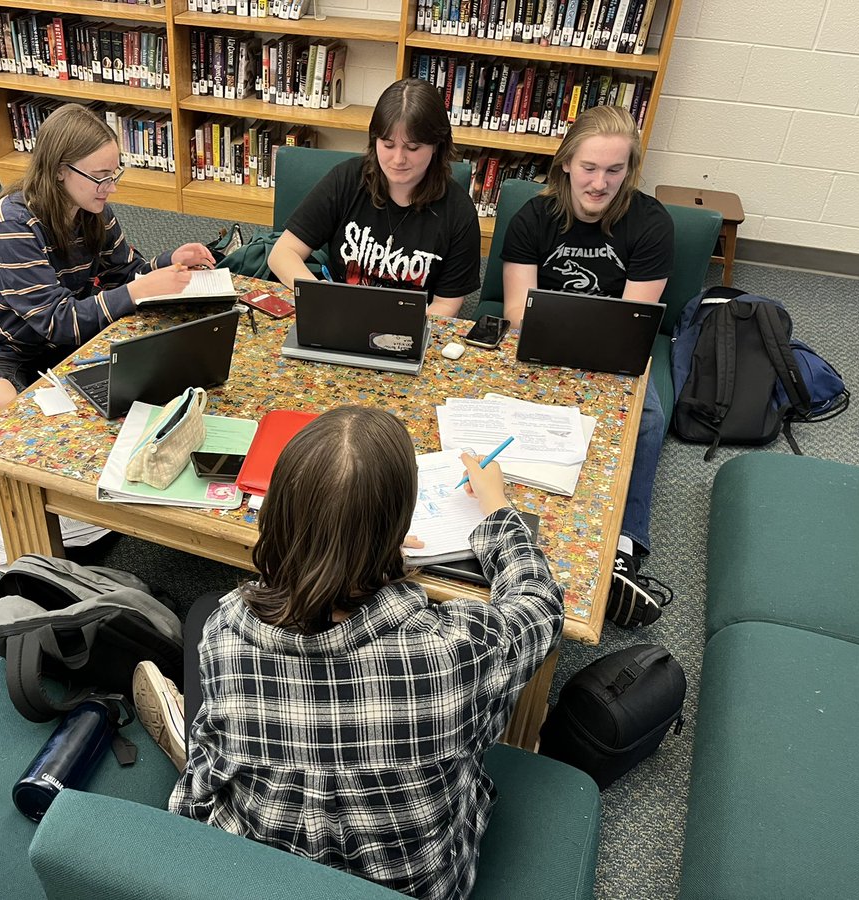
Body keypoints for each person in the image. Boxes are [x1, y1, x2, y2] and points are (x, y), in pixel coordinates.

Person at [133, 405, 564, 900]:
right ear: (398, 526)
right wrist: (496, 508)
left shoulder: (226, 632)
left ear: (278, 511)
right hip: (412, 886)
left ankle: (198, 741)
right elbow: (539, 606)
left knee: (213, 726)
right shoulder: (455, 653)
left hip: (260, 878)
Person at [499, 103, 675, 626]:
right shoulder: (534, 217)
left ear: (630, 171)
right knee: (493, 407)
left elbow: (635, 319)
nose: (600, 183)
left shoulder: (650, 223)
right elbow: (515, 309)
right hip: (539, 342)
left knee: (647, 419)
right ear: (567, 164)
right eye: (590, 168)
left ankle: (622, 548)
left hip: (613, 354)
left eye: (614, 170)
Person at [0, 103, 217, 418]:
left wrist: (169, 262)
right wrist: (137, 291)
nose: (111, 188)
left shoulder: (91, 209)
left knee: (143, 379)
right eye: (100, 177)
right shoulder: (10, 225)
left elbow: (124, 273)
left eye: (114, 175)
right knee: (4, 408)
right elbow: (57, 321)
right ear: (60, 170)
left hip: (56, 341)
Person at [267, 78, 481, 317]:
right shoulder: (347, 180)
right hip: (339, 313)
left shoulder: (459, 212)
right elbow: (282, 254)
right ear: (374, 140)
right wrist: (323, 295)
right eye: (388, 145)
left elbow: (446, 305)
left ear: (436, 146)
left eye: (412, 148)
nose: (398, 159)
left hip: (409, 325)